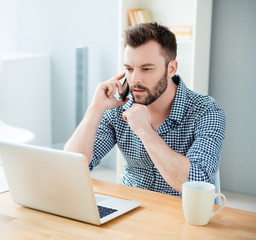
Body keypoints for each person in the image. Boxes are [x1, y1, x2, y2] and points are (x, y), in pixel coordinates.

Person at [64, 22, 226, 196]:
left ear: (171, 68)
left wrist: (144, 130)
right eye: (129, 69)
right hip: (130, 207)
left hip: (182, 214)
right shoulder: (118, 107)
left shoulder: (206, 111)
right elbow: (71, 168)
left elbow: (197, 181)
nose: (135, 79)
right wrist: (95, 108)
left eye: (147, 69)